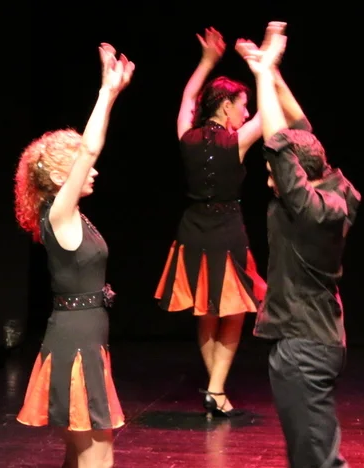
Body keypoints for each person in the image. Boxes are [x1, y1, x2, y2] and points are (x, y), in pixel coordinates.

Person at [238, 25, 364, 468]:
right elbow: (297, 131)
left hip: (302, 346)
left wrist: (260, 72)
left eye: (274, 176)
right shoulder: (338, 191)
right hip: (320, 339)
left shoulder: (303, 210)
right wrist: (273, 71)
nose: (269, 182)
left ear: (293, 177)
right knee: (315, 462)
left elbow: (281, 142)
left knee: (314, 467)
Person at [13, 43, 135, 468]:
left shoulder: (71, 217)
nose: (94, 169)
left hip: (81, 339)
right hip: (76, 344)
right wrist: (107, 92)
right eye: (81, 165)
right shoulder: (59, 213)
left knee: (77, 457)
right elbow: (90, 147)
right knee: (99, 458)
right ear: (62, 174)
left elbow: (88, 153)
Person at [153, 27, 267, 418]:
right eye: (242, 105)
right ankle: (216, 390)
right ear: (225, 106)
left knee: (205, 309)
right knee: (232, 311)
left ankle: (215, 391)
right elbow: (269, 115)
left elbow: (188, 99)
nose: (246, 113)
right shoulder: (237, 141)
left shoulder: (187, 136)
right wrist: (262, 66)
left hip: (192, 229)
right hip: (227, 229)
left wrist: (205, 62)